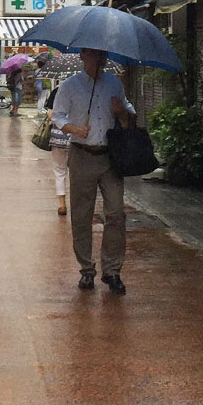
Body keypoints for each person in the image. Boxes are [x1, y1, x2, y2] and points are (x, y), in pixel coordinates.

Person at [52, 47, 135, 294]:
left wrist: (122, 112)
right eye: (94, 55)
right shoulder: (70, 86)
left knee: (116, 213)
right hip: (81, 155)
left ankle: (112, 270)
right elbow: (56, 116)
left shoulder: (114, 83)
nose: (100, 60)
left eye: (103, 55)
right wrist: (73, 128)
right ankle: (86, 269)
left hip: (110, 157)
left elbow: (127, 110)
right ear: (82, 57)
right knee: (81, 215)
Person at [45, 85, 70, 215]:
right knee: (78, 173)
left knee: (60, 171)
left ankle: (62, 204)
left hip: (58, 138)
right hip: (77, 138)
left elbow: (50, 115)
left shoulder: (57, 91)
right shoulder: (83, 91)